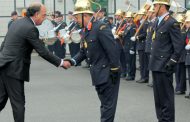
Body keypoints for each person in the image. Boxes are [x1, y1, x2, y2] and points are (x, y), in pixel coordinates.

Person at [0, 3, 68, 122]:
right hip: (14, 69)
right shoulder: (30, 28)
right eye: (43, 15)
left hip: (3, 65)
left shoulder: (16, 23)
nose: (45, 17)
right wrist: (61, 62)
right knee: (18, 103)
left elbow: (3, 44)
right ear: (36, 14)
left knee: (1, 99)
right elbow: (42, 51)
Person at [64, 0, 120, 121]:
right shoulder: (86, 30)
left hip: (107, 74)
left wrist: (115, 70)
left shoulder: (100, 28)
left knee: (108, 107)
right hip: (97, 74)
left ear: (85, 15)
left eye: (77, 17)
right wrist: (72, 61)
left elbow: (112, 50)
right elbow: (84, 51)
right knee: (105, 105)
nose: (75, 20)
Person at [149, 0, 184, 121]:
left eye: (155, 5)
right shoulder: (157, 22)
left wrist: (171, 62)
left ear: (162, 7)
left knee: (166, 99)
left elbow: (178, 46)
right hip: (155, 64)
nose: (153, 8)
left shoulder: (171, 23)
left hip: (164, 66)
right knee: (158, 99)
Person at [122, 11, 137, 81]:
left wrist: (132, 48)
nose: (127, 19)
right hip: (126, 46)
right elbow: (124, 35)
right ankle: (128, 73)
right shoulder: (127, 26)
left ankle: (131, 75)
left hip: (130, 46)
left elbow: (133, 38)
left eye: (129, 18)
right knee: (127, 61)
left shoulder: (133, 26)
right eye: (127, 18)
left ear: (132, 18)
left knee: (131, 62)